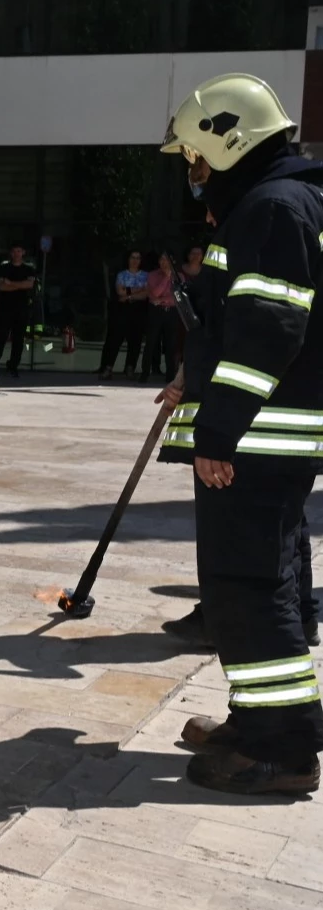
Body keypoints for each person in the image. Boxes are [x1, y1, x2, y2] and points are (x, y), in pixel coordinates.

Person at [157, 71, 323, 795]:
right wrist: (193, 381)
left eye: (196, 156)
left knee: (247, 590)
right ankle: (257, 717)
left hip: (257, 440)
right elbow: (236, 324)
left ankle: (280, 748)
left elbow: (267, 330)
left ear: (228, 142)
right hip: (267, 436)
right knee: (264, 581)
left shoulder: (272, 208)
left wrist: (217, 432)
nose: (192, 173)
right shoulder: (276, 203)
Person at [98, 251, 150, 379]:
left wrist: (129, 294)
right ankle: (108, 367)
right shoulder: (121, 274)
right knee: (116, 338)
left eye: (138, 258)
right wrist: (138, 290)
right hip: (122, 310)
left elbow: (146, 293)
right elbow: (120, 291)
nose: (135, 260)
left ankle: (130, 367)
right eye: (133, 257)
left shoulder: (146, 275)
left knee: (135, 340)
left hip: (139, 310)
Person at [0, 245, 37, 378]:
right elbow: (1, 287)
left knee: (18, 340)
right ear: (10, 253)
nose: (17, 253)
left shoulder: (29, 269)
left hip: (21, 309)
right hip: (4, 308)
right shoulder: (3, 268)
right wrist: (19, 285)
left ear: (23, 253)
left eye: (19, 251)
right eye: (14, 251)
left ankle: (13, 366)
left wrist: (10, 283)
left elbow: (29, 285)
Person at [142, 252, 180, 383]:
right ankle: (145, 373)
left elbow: (177, 296)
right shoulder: (153, 275)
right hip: (156, 311)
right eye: (162, 259)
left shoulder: (179, 276)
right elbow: (154, 293)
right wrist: (166, 278)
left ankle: (170, 375)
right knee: (151, 342)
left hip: (172, 311)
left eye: (167, 260)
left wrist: (162, 299)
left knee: (171, 344)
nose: (164, 262)